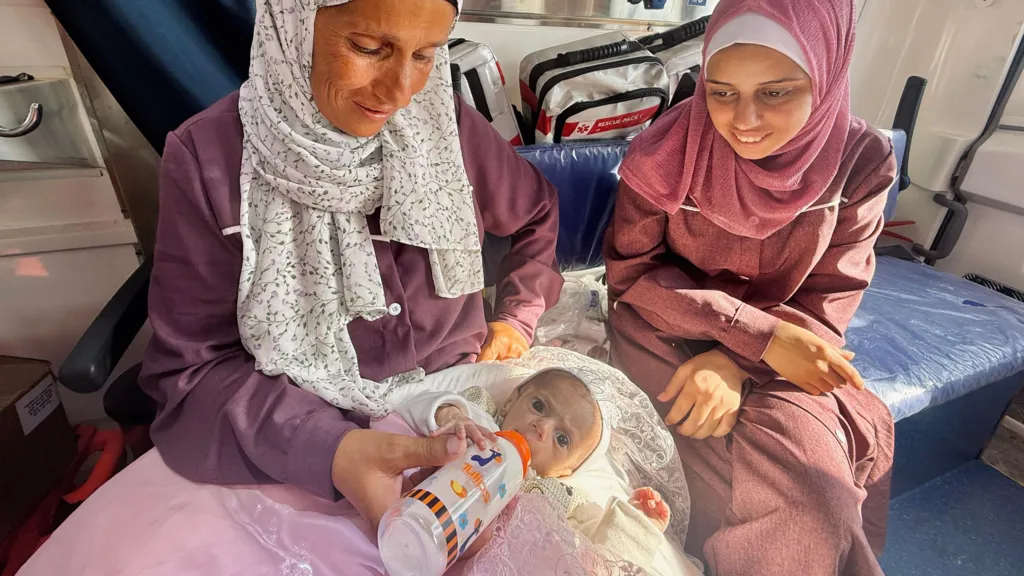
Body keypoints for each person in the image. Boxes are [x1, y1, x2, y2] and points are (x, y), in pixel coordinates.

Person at [140, 0, 563, 532]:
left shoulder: (445, 125)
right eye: (368, 48)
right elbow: (192, 373)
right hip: (299, 439)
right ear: (294, 24)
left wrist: (517, 316)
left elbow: (537, 212)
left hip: (463, 407)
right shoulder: (210, 160)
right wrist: (332, 450)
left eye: (425, 55)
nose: (401, 93)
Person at [603, 0, 897, 574]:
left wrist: (740, 359)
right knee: (709, 486)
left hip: (791, 346)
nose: (744, 120)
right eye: (721, 92)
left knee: (817, 502)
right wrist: (749, 334)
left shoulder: (861, 161)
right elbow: (632, 275)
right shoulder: (664, 154)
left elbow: (831, 294)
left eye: (775, 92)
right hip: (667, 334)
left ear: (826, 74)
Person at [394, 367, 675, 571]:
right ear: (511, 400)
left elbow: (596, 558)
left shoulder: (558, 496)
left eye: (562, 439)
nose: (542, 427)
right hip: (420, 523)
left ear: (566, 472)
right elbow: (416, 403)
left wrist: (634, 524)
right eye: (539, 406)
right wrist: (450, 414)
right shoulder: (479, 418)